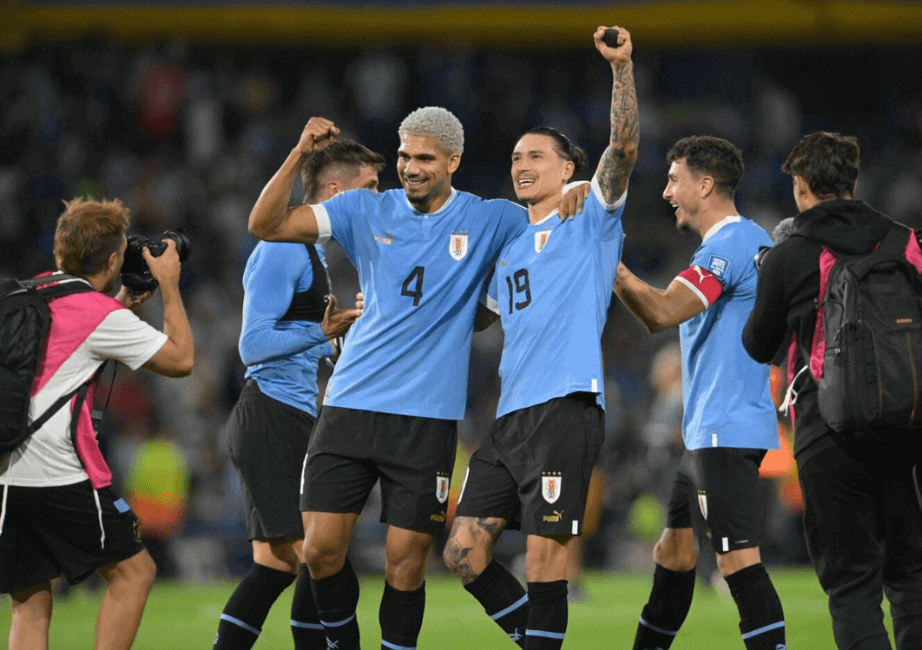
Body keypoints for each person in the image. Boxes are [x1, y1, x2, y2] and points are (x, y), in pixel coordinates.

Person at [246, 109, 587, 650]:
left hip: (425, 420)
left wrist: (582, 184)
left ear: (452, 161)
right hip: (350, 403)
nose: (410, 167)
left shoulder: (489, 218)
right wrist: (298, 154)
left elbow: (553, 218)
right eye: (404, 156)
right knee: (319, 551)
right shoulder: (363, 208)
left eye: (424, 158)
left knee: (406, 567)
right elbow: (265, 225)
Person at [442, 25, 637, 650]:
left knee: (545, 563)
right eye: (516, 158)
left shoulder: (592, 219)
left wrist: (621, 68)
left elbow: (625, 146)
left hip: (565, 407)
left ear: (570, 169)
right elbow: (477, 320)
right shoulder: (508, 248)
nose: (522, 165)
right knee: (464, 553)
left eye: (536, 157)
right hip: (509, 421)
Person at [742, 131, 922, 649]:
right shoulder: (906, 240)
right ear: (852, 183)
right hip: (908, 426)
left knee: (853, 583)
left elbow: (758, 344)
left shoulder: (790, 253)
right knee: (914, 571)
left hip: (828, 432)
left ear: (802, 187)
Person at [615, 135, 787, 650]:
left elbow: (664, 312)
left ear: (705, 184)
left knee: (737, 560)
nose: (666, 191)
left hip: (726, 428)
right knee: (674, 551)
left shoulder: (729, 246)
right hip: (710, 430)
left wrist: (610, 263)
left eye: (674, 179)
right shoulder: (745, 241)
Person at [0, 198, 194, 650]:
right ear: (112, 260)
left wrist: (122, 300)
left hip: (8, 471)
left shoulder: (26, 294)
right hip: (58, 473)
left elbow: (70, 342)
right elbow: (181, 359)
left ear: (59, 252)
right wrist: (169, 286)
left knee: (30, 607)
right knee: (135, 573)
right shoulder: (99, 315)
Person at [213, 140, 379, 650]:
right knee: (318, 554)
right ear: (335, 192)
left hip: (289, 413)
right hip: (270, 414)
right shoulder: (284, 247)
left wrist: (339, 341)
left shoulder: (311, 252)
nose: (379, 198)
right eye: (370, 188)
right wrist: (320, 333)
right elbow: (253, 344)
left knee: (279, 564)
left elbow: (301, 343)